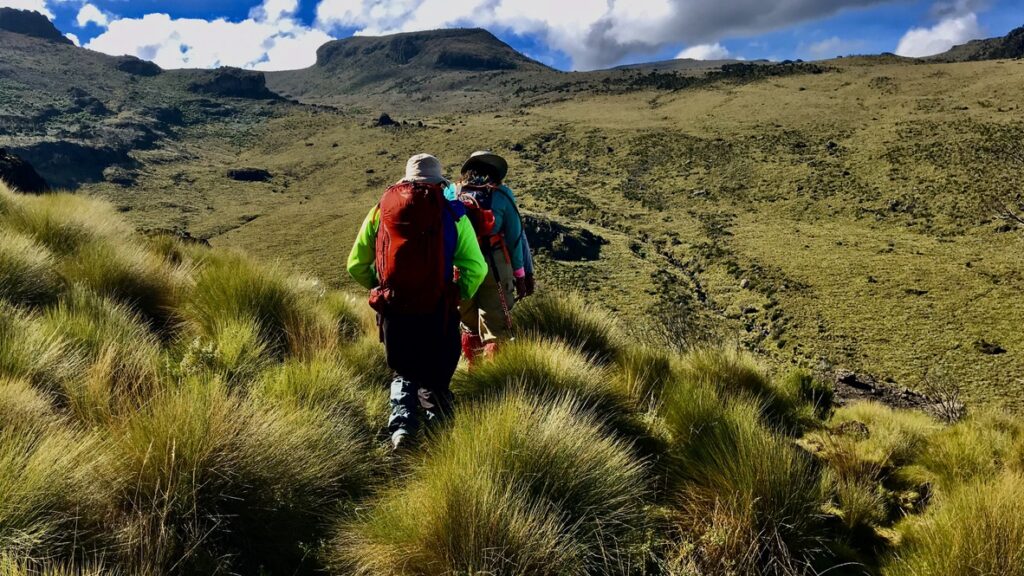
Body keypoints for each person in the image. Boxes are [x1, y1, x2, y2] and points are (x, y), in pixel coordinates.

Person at [347, 153, 486, 451]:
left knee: (404, 371)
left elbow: (355, 265)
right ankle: (440, 441)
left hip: (395, 310)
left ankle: (402, 430)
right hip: (438, 310)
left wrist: (380, 286)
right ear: (438, 181)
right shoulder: (453, 212)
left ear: (406, 180)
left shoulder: (379, 210)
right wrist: (457, 295)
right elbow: (477, 267)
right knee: (436, 377)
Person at [456, 151, 535, 365]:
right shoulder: (502, 194)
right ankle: (492, 378)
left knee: (468, 324)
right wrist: (521, 275)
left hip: (461, 266)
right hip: (495, 265)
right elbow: (515, 237)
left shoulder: (453, 192)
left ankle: (471, 373)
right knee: (496, 328)